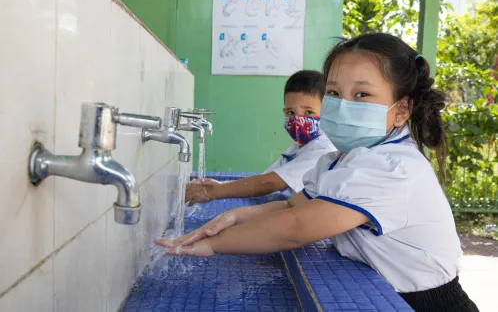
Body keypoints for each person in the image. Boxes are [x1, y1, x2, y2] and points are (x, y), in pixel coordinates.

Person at [156, 33, 479, 311]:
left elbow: (297, 227)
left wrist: (214, 245)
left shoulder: (390, 167)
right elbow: (291, 206)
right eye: (335, 93)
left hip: (426, 304)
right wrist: (234, 217)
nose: (343, 104)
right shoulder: (344, 159)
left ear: (402, 109)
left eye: (362, 95)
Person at [185, 70, 336, 204]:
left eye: (308, 112)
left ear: (327, 111)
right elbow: (266, 178)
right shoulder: (300, 146)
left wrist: (214, 191)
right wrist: (218, 185)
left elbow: (268, 183)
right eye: (290, 113)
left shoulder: (323, 150)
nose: (298, 120)